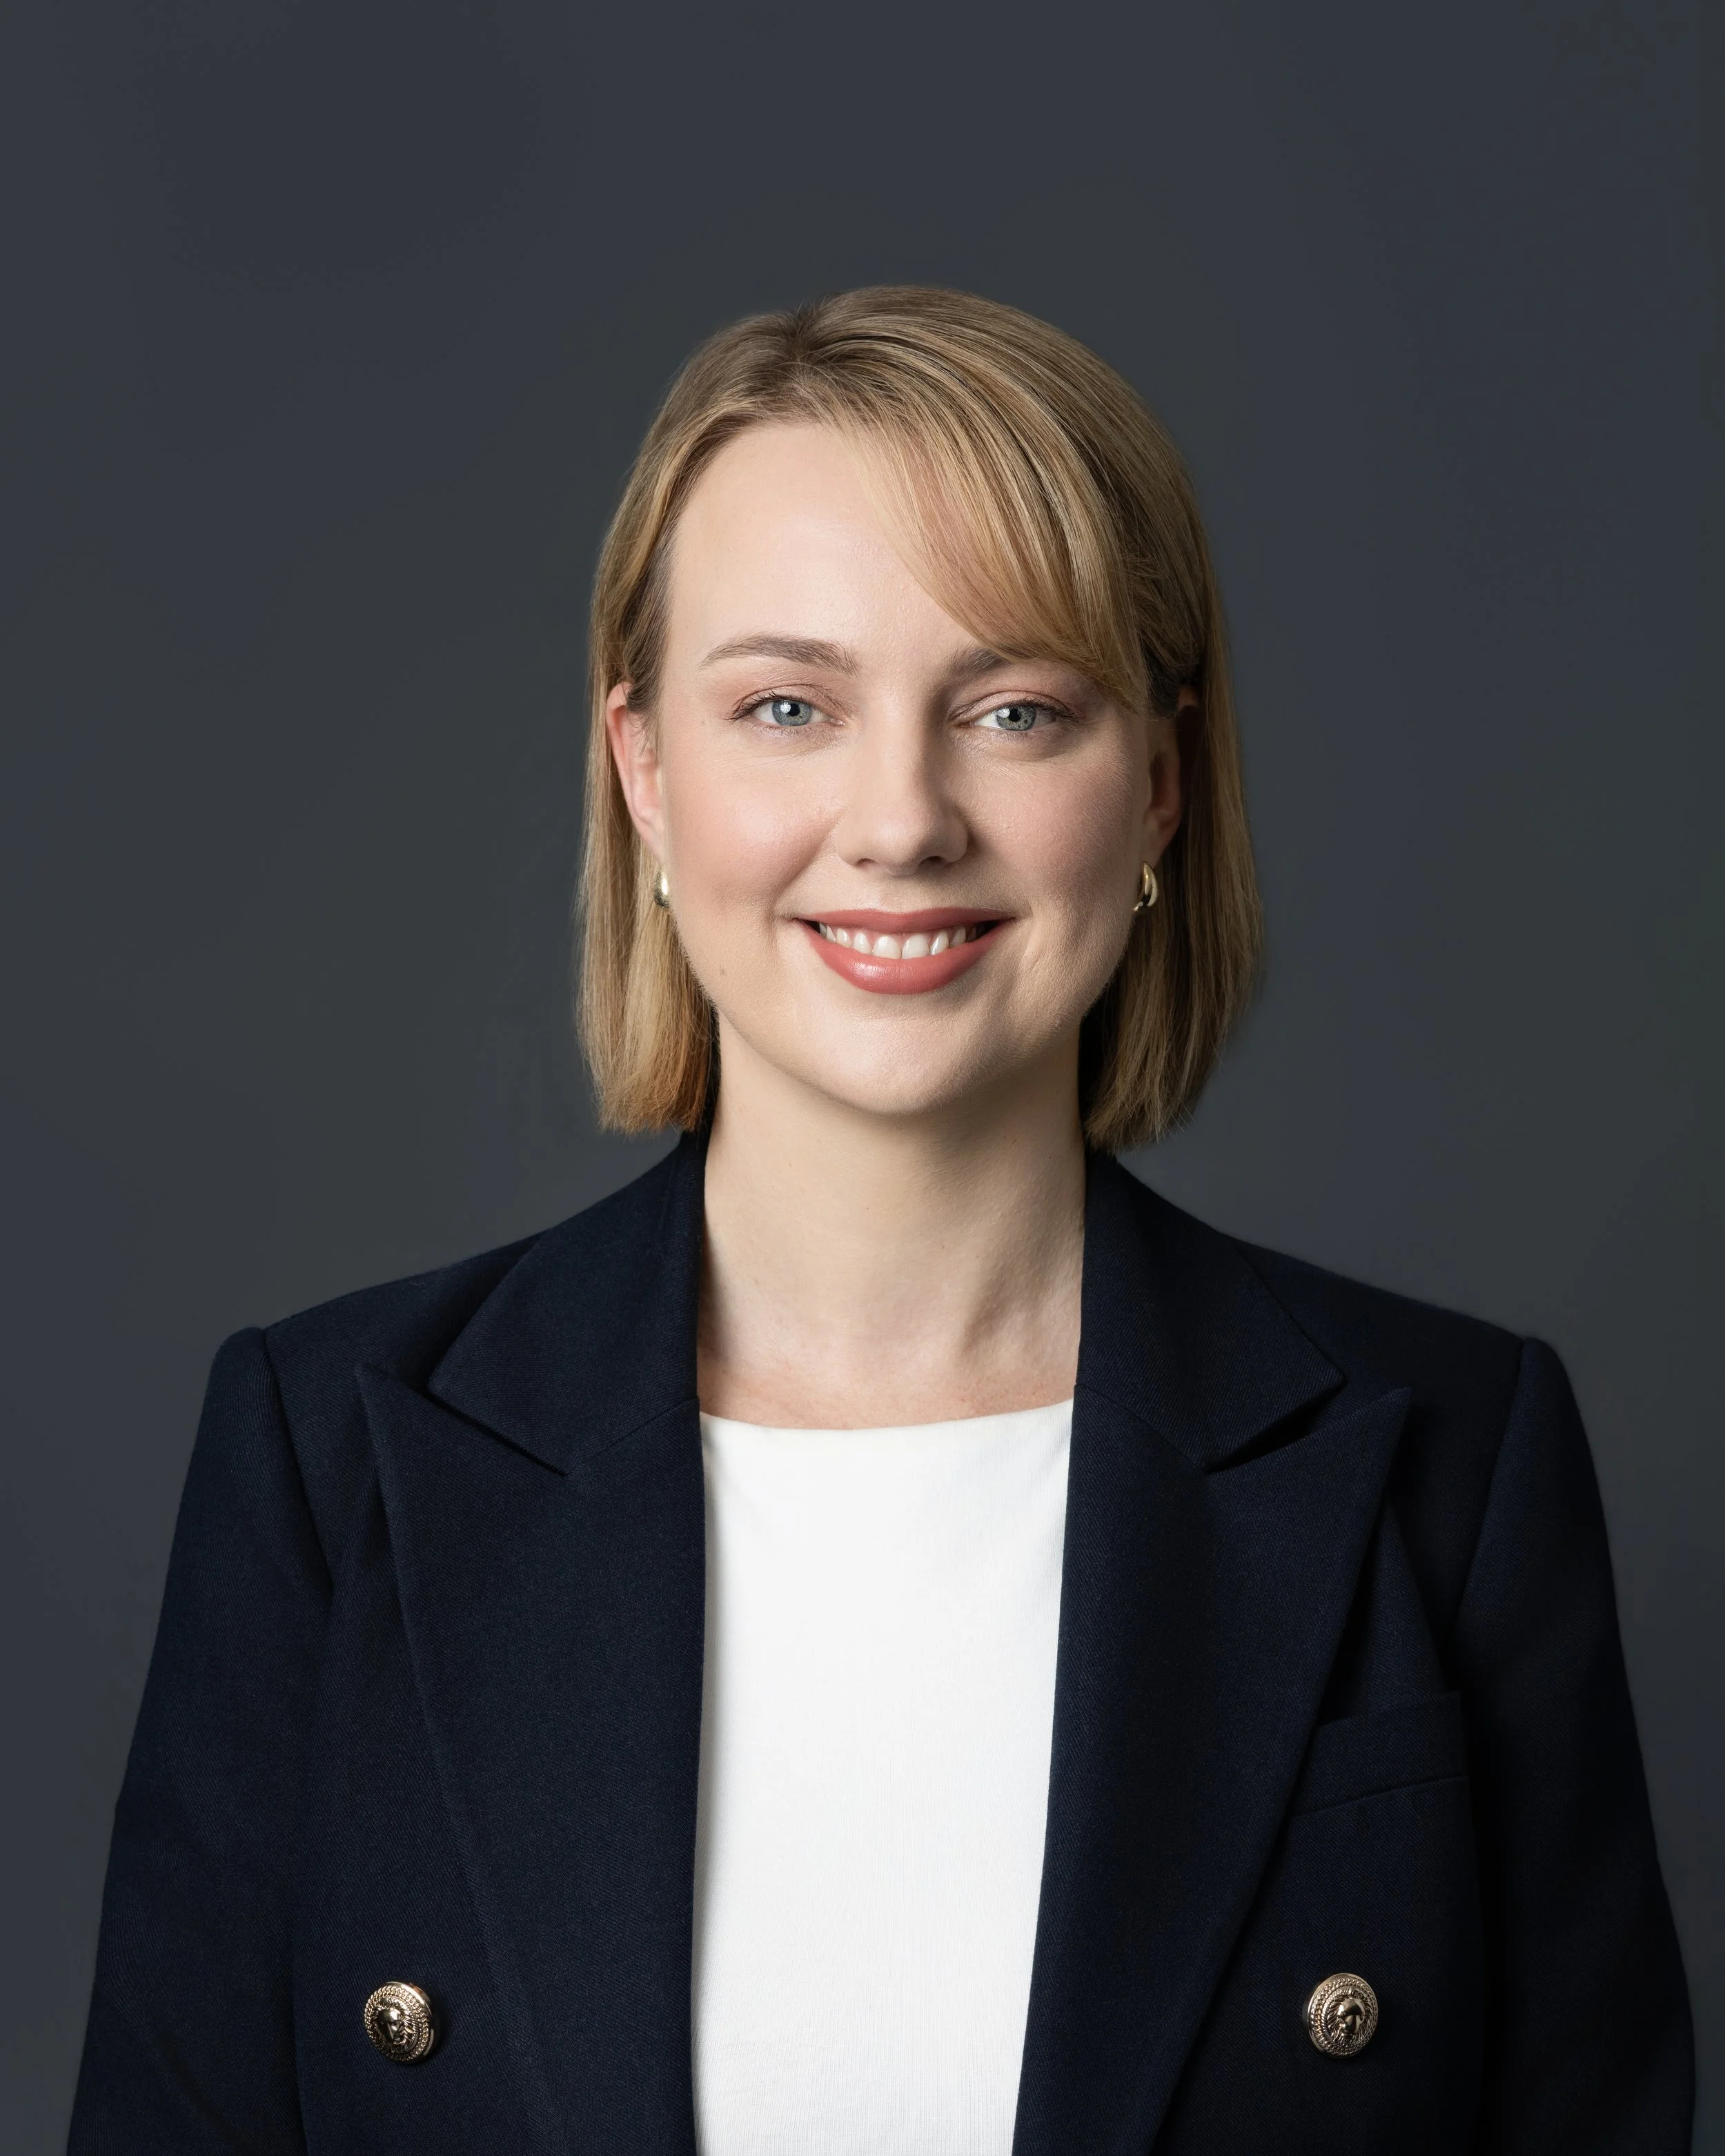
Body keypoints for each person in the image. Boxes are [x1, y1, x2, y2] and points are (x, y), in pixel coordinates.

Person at [69, 287, 1692, 2155]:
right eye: (786, 706)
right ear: (646, 777)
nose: (901, 817)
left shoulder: (1448, 1467)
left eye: (1012, 709)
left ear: (1155, 783)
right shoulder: (331, 1458)